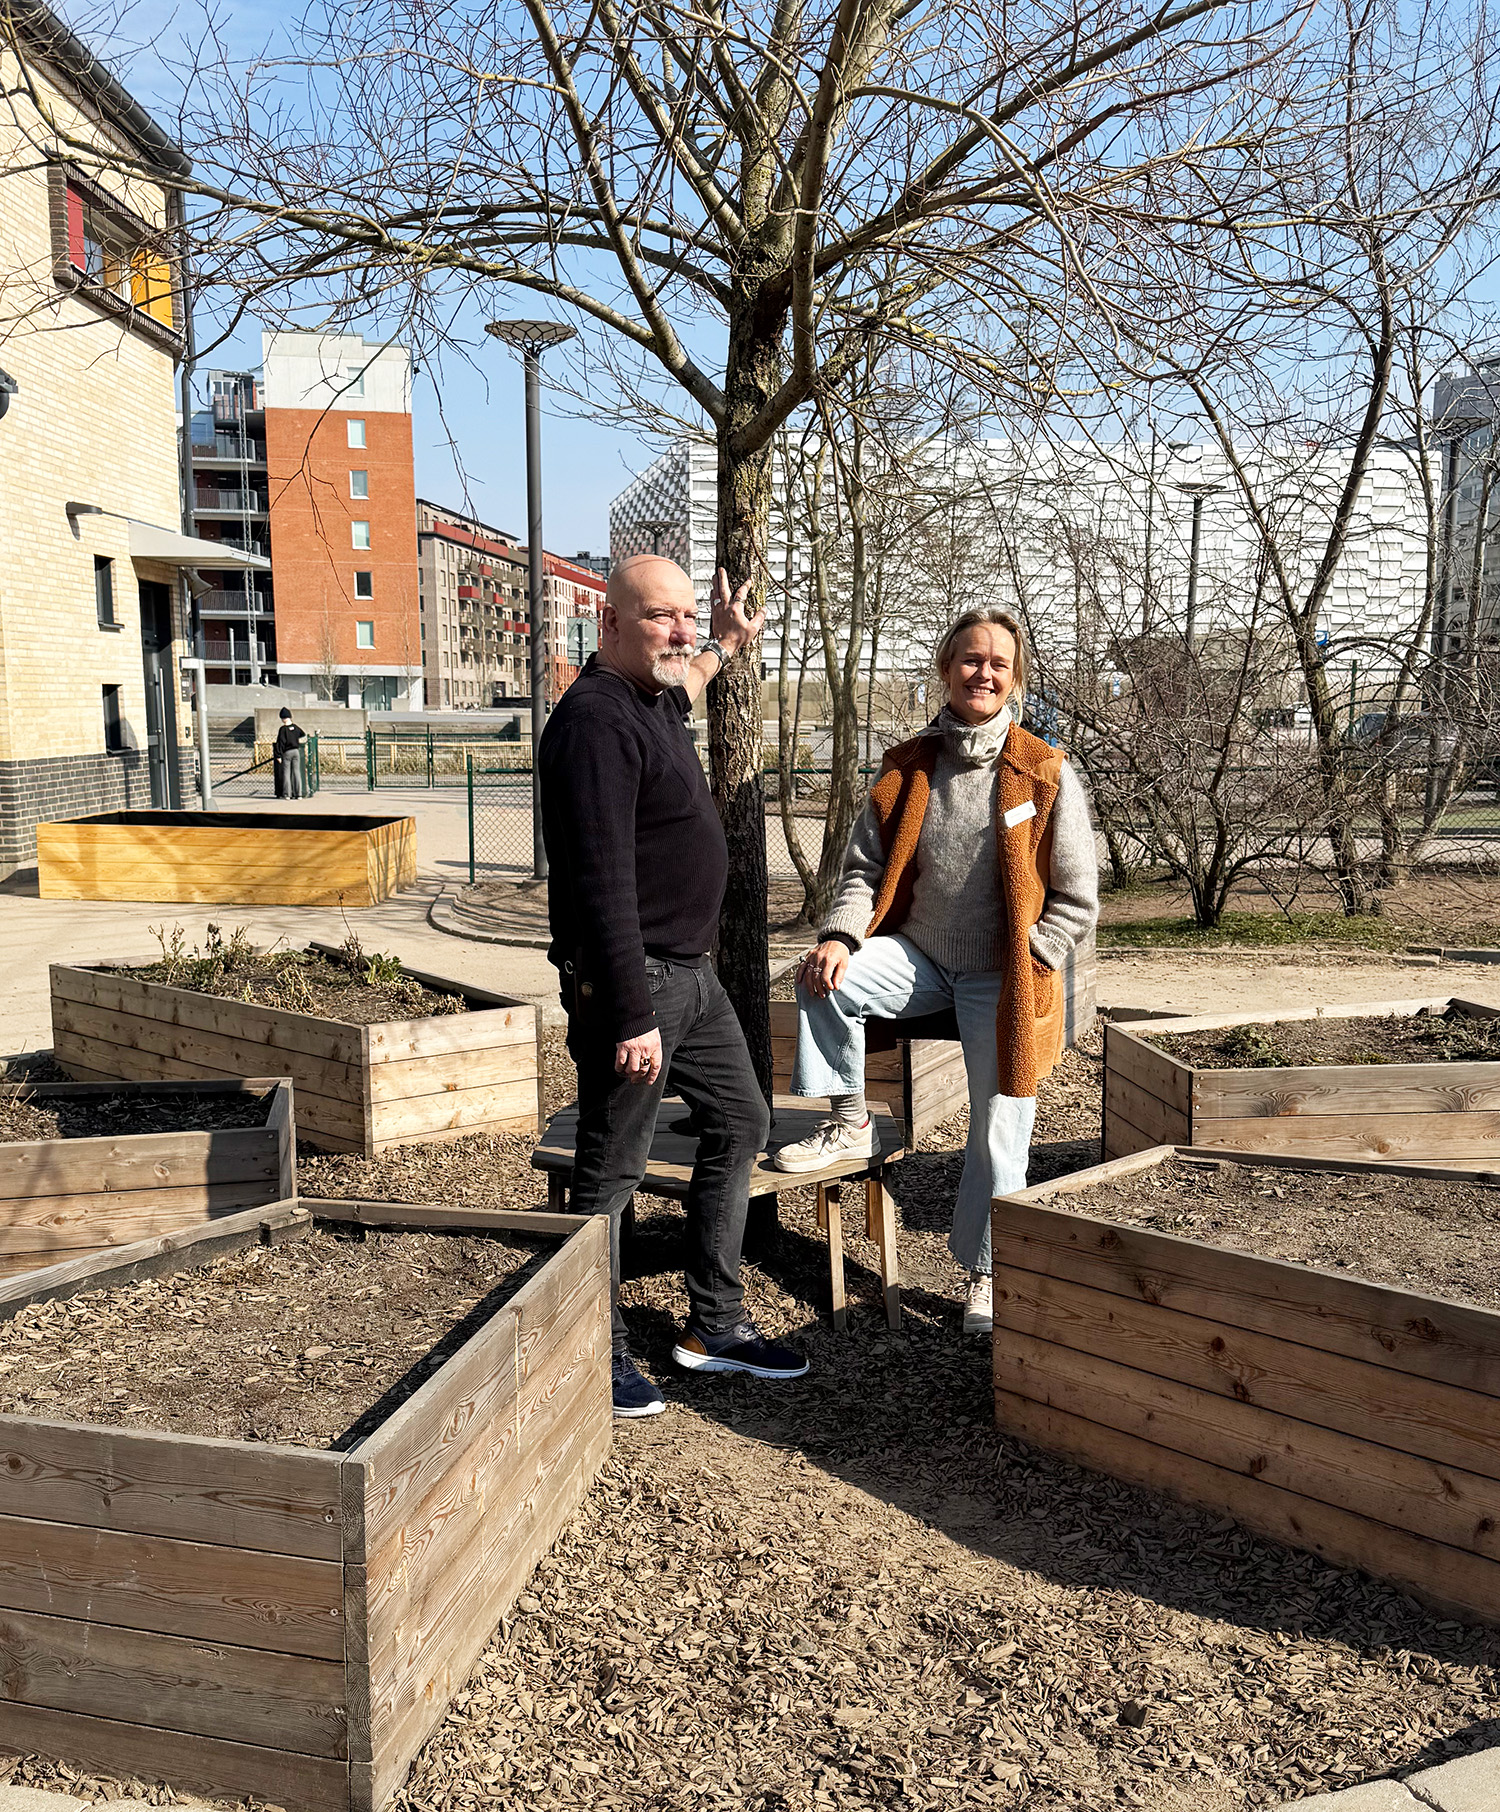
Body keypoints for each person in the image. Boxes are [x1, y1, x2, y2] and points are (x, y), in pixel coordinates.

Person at [774, 607, 1098, 1335]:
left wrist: (1037, 956)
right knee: (823, 976)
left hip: (1002, 975)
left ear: (1014, 679)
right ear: (947, 667)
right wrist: (840, 937)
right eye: (971, 659)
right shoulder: (907, 765)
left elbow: (1079, 898)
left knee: (1000, 1125)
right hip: (919, 956)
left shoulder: (1043, 770)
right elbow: (862, 872)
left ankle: (988, 1271)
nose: (984, 673)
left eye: (999, 665)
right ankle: (848, 1121)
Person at [539, 554, 809, 1418]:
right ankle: (594, 1342)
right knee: (612, 1170)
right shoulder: (593, 725)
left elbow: (688, 678)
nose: (681, 632)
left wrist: (725, 644)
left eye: (690, 615)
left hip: (692, 979)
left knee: (743, 1119)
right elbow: (600, 885)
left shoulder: (650, 697)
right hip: (639, 988)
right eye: (663, 617)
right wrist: (628, 1014)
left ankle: (713, 1325)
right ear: (608, 622)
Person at [273, 707, 307, 799]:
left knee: (286, 773)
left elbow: (280, 743)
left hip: (287, 752)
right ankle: (298, 794)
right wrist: (294, 738)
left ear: (283, 718)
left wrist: (278, 755)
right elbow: (303, 733)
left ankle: (287, 794)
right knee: (296, 773)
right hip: (296, 751)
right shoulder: (295, 727)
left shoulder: (283, 729)